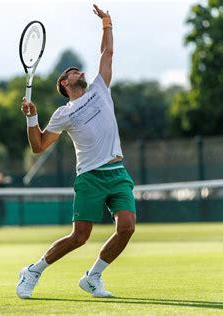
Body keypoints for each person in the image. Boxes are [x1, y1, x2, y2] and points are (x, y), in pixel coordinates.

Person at [16, 4, 136, 299]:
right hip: (91, 178)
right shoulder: (62, 114)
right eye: (73, 71)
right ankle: (33, 271)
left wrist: (107, 23)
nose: (79, 71)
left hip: (117, 172)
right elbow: (38, 146)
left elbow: (106, 54)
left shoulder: (99, 88)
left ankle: (93, 277)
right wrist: (32, 118)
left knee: (127, 227)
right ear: (64, 83)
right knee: (80, 237)